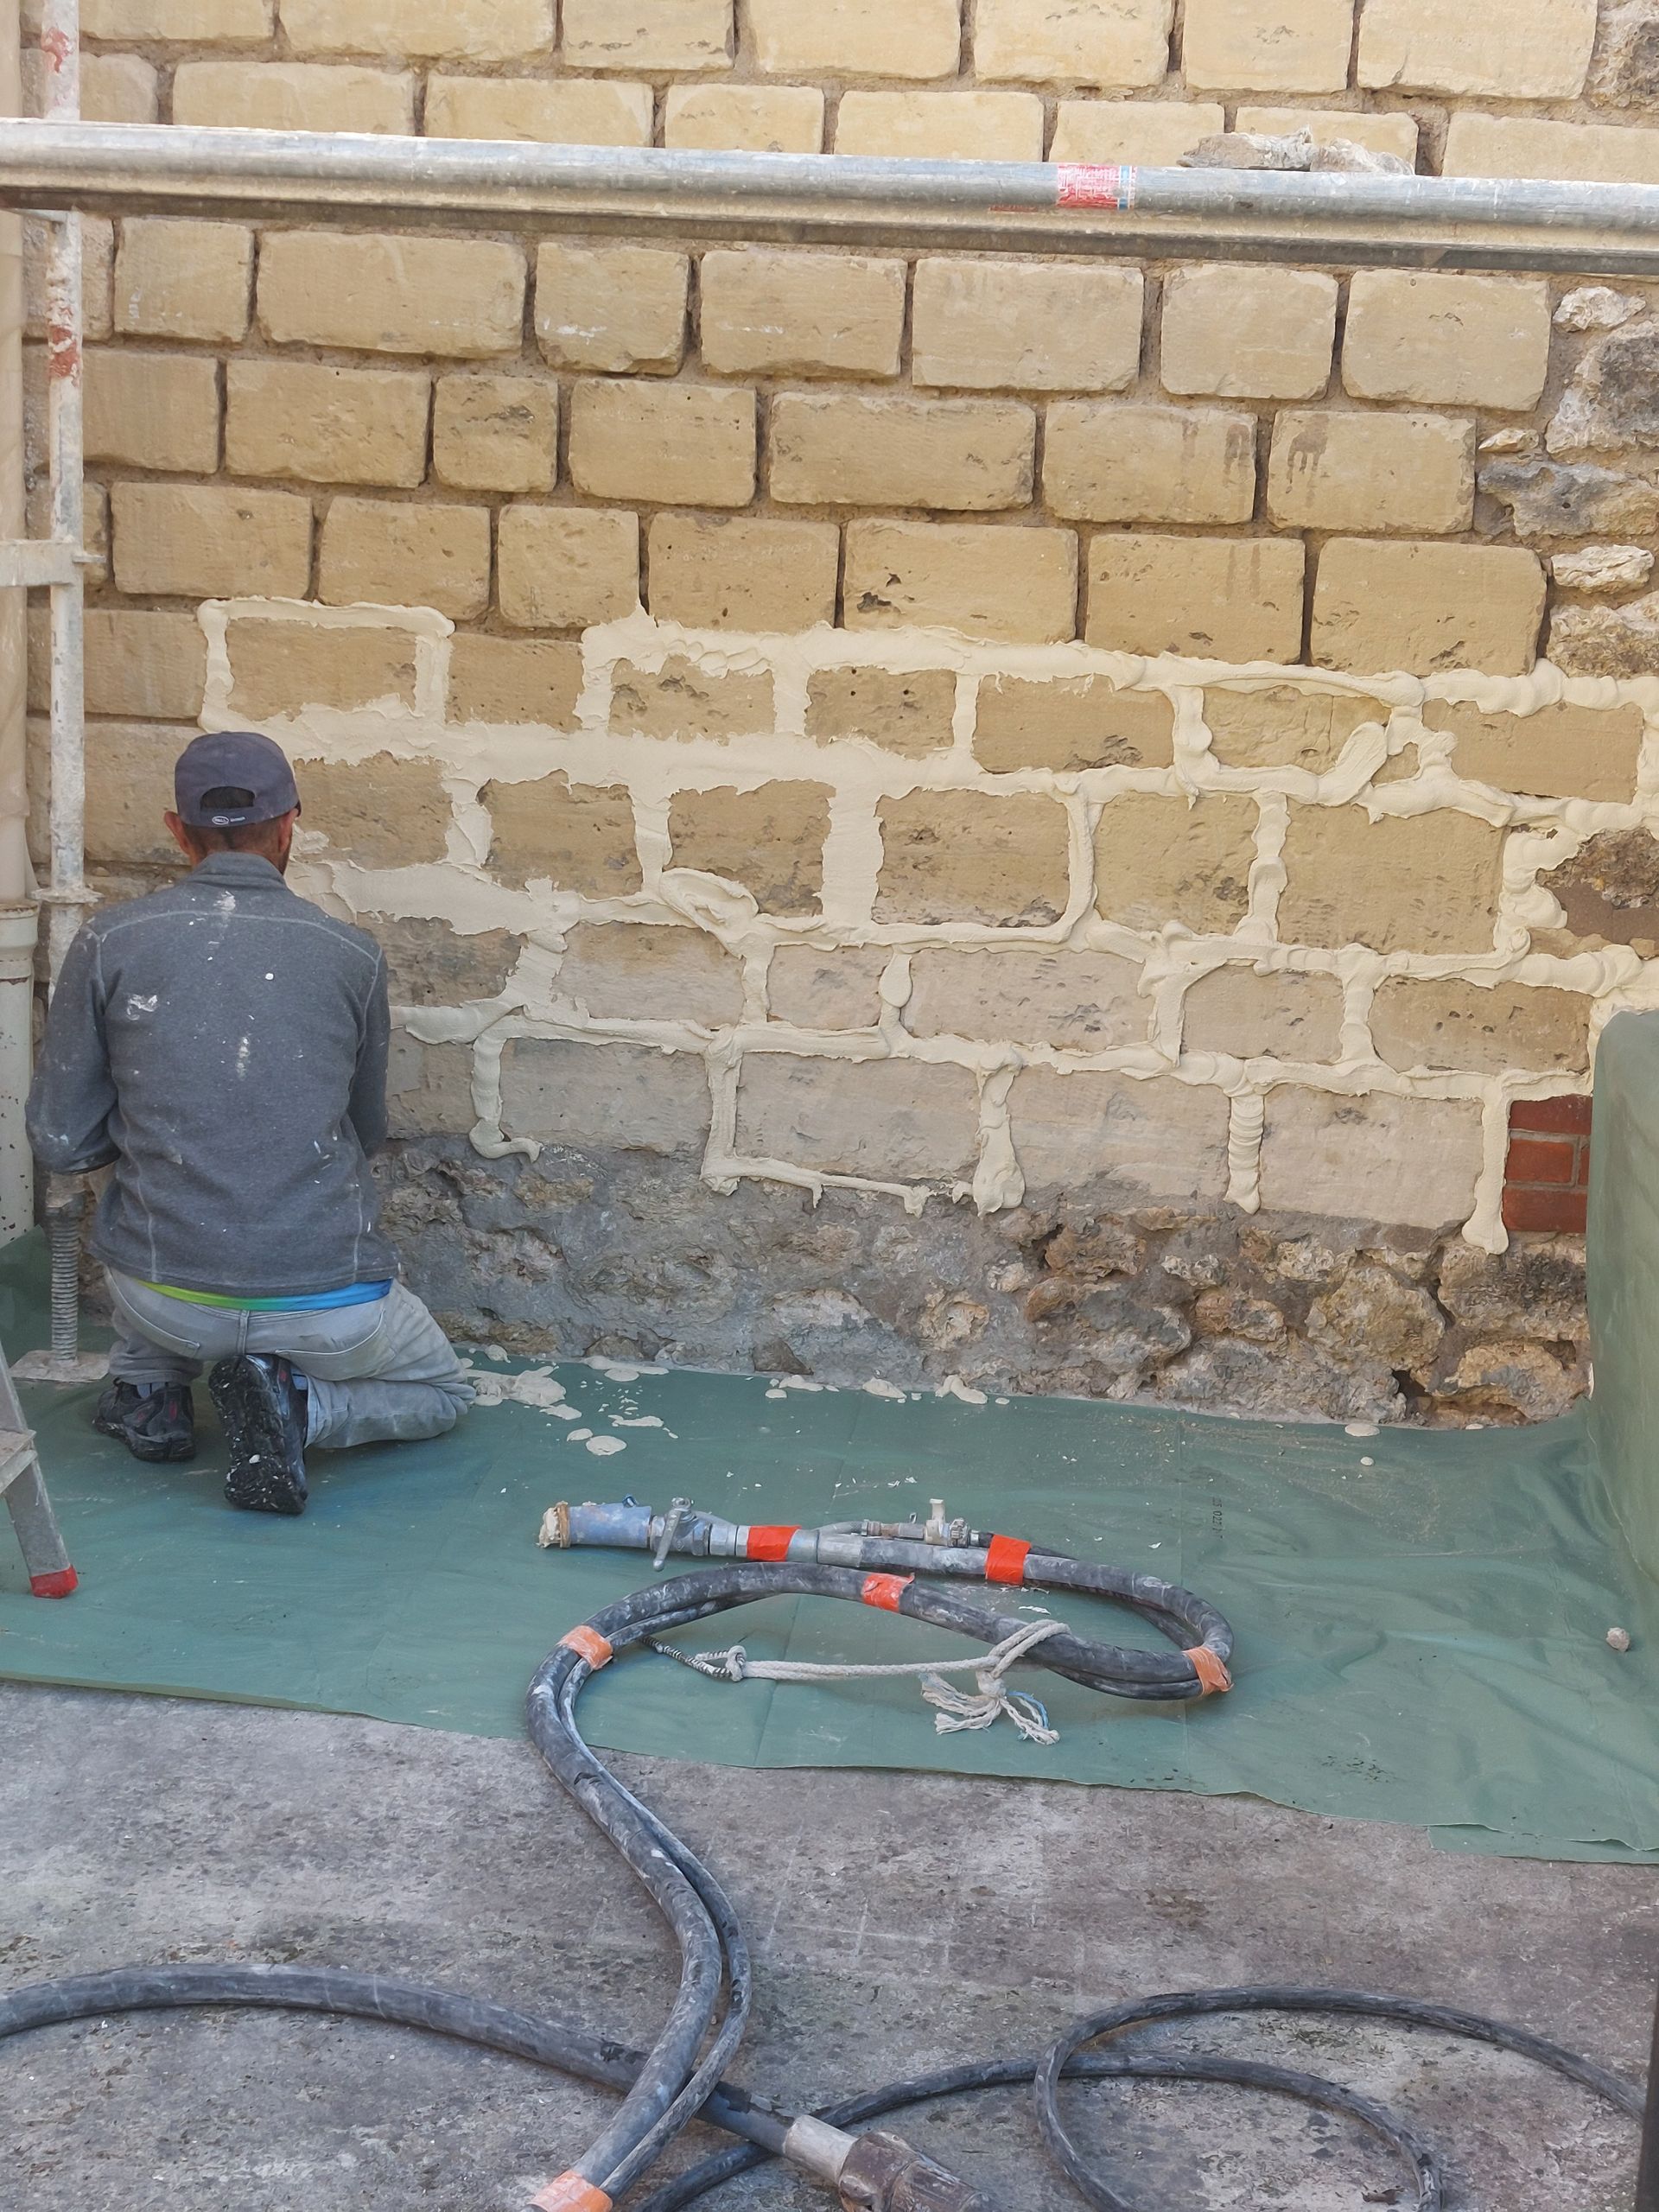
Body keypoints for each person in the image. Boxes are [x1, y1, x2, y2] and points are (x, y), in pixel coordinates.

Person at [24, 729, 473, 1516]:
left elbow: (60, 1140)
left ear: (176, 829)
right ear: (292, 822)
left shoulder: (109, 941)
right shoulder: (352, 955)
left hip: (162, 1299)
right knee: (441, 1391)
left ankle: (152, 1395)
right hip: (330, 1314)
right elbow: (363, 1131)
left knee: (153, 1186)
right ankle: (303, 1409)